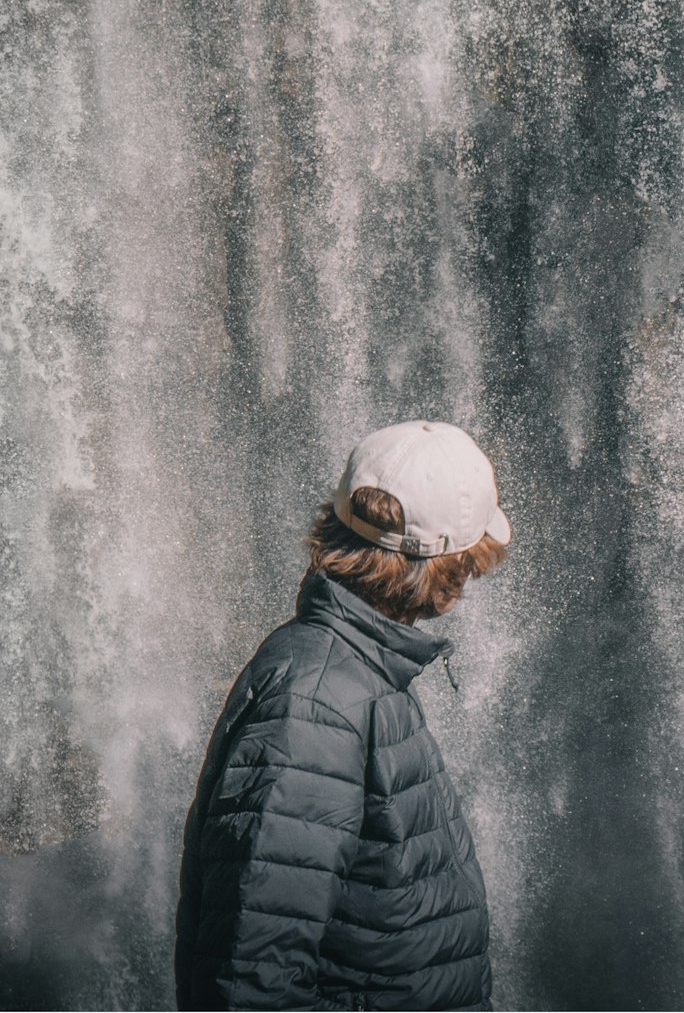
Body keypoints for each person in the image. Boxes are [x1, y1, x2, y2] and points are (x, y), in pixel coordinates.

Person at [174, 420, 511, 1012]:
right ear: (448, 569)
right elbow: (250, 981)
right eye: (473, 559)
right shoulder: (314, 705)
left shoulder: (360, 667)